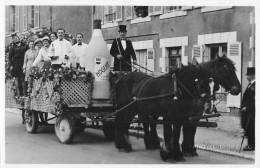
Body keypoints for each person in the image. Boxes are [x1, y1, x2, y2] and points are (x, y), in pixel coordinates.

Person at [240, 67, 255, 151]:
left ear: (253, 75)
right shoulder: (251, 84)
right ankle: (251, 144)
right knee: (248, 128)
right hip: (247, 112)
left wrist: (248, 107)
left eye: (248, 75)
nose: (247, 77)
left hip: (251, 112)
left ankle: (251, 145)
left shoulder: (255, 85)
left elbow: (255, 100)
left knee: (251, 129)